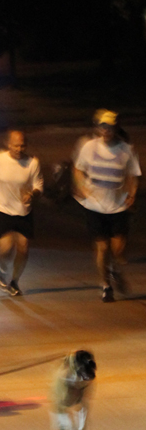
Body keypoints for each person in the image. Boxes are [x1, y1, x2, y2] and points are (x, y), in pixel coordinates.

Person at [73, 110, 141, 302]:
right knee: (102, 248)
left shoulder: (126, 149)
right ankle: (105, 286)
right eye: (103, 125)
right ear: (98, 127)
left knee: (118, 250)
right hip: (94, 206)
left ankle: (115, 269)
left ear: (115, 127)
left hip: (118, 206)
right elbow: (78, 169)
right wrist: (81, 187)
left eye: (110, 126)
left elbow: (133, 174)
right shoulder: (89, 147)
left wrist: (132, 194)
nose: (106, 129)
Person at [0, 130, 43, 296]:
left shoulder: (32, 162)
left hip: (23, 211)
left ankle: (14, 282)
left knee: (23, 248)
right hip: (1, 209)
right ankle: (0, 269)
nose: (19, 149)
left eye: (22, 145)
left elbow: (38, 186)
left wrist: (32, 194)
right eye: (15, 145)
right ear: (8, 144)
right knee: (6, 247)